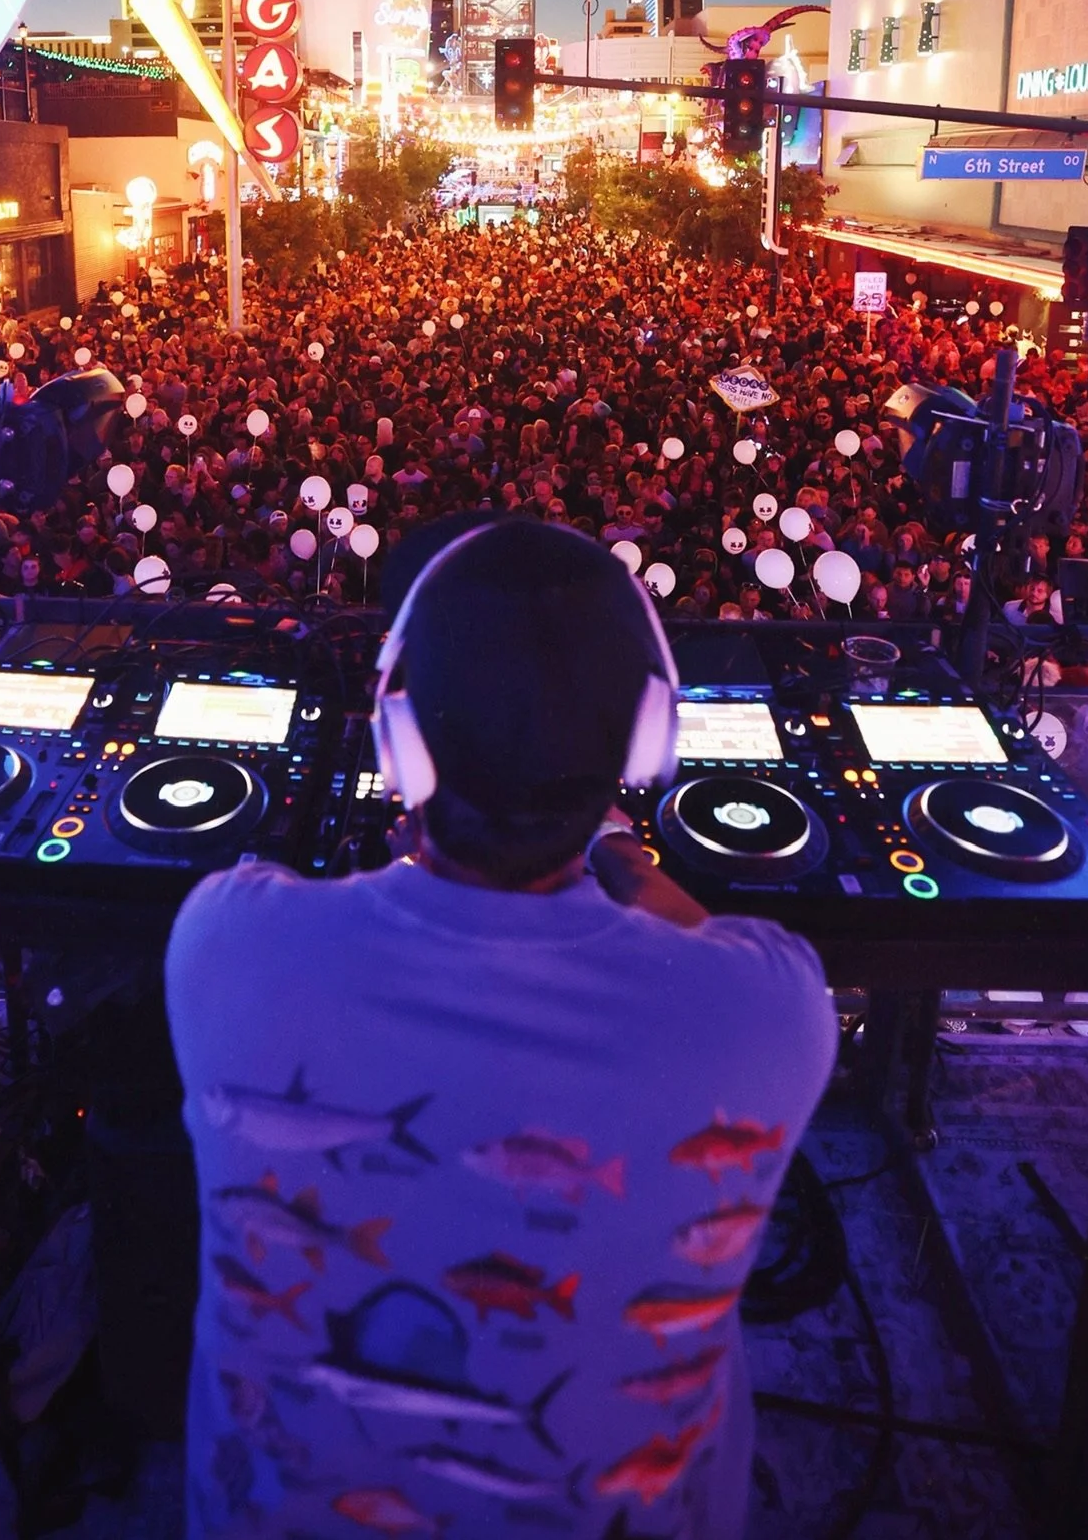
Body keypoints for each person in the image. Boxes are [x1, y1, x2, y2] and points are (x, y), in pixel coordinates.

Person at [166, 523, 836, 1537]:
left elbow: (351, 919)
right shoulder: (773, 1010)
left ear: (398, 745)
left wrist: (413, 866)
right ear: (648, 744)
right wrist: (619, 851)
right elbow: (707, 946)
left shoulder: (225, 940)